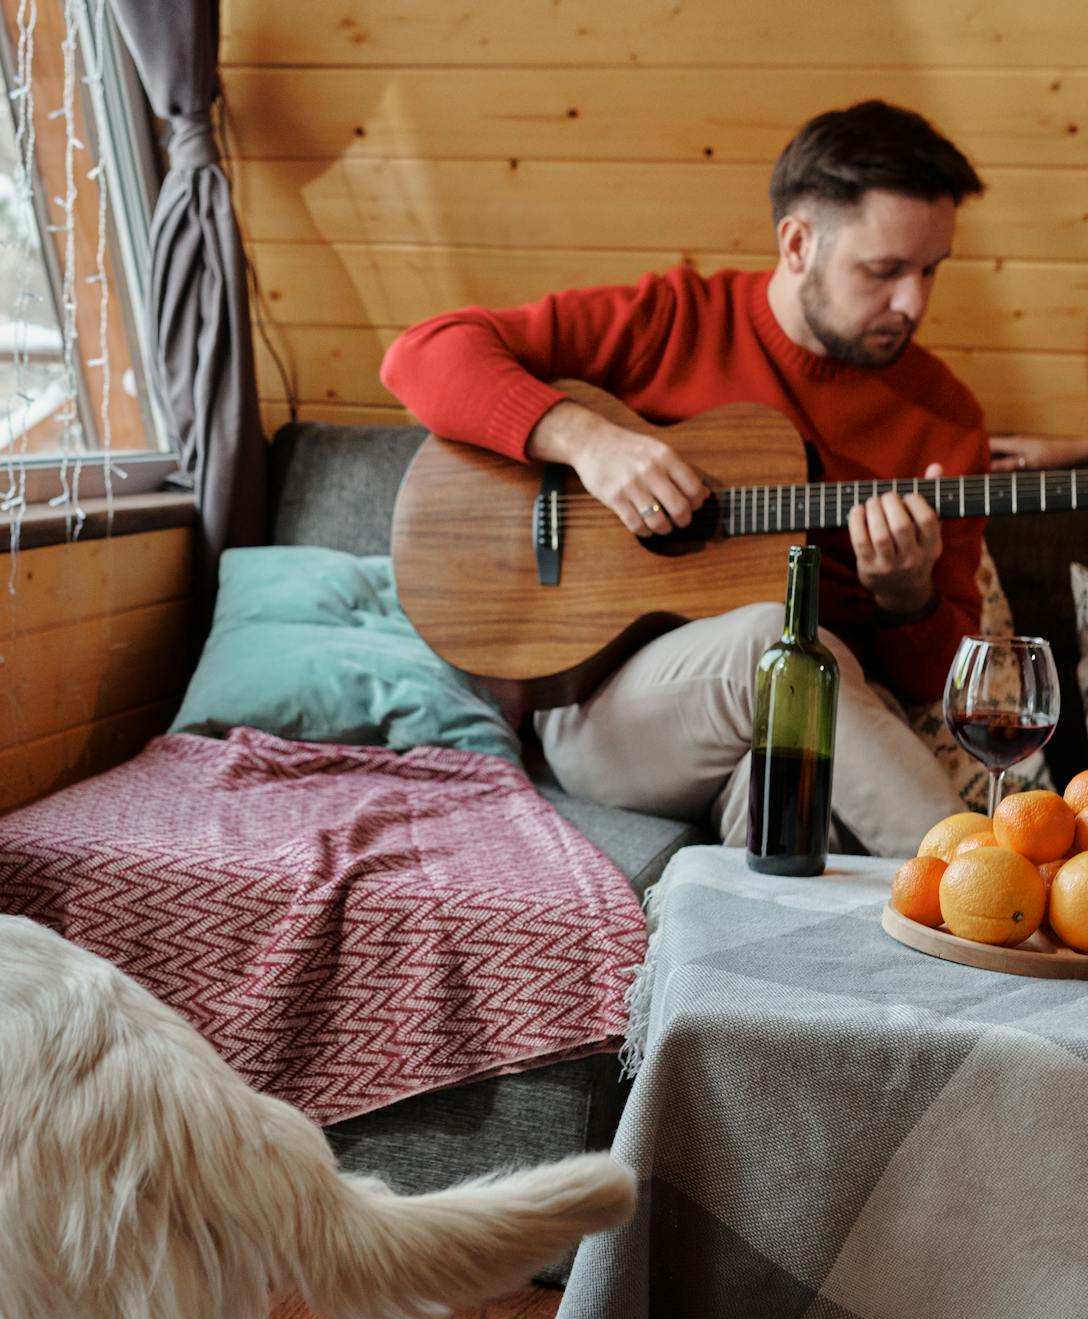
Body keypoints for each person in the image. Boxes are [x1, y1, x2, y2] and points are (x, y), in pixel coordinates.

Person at [378, 101, 988, 854]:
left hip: (809, 721)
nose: (914, 302)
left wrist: (908, 596)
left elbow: (937, 683)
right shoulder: (672, 320)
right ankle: (989, 887)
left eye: (931, 270)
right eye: (885, 270)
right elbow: (421, 354)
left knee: (791, 807)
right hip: (604, 708)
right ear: (797, 244)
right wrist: (587, 442)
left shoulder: (946, 421)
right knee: (778, 641)